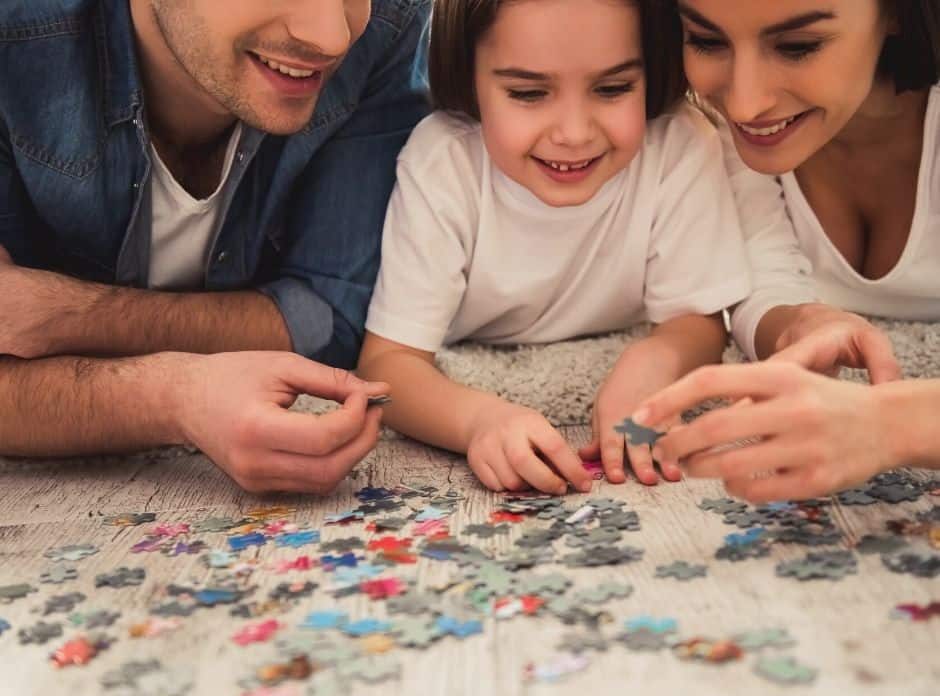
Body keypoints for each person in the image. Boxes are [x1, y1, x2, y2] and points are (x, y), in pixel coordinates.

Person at [0, 0, 431, 493]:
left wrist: (69, 316)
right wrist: (177, 398)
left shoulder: (389, 22)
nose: (333, 37)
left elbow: (330, 318)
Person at [357, 0, 753, 496]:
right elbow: (388, 364)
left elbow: (697, 322)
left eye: (612, 89)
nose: (573, 133)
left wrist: (651, 364)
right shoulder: (444, 162)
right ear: (470, 79)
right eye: (528, 92)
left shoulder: (680, 145)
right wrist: (479, 420)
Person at [631, 0, 940, 501]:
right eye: (707, 41)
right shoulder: (714, 129)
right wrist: (805, 321)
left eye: (799, 46)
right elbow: (761, 285)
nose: (744, 105)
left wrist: (892, 423)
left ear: (899, 13)